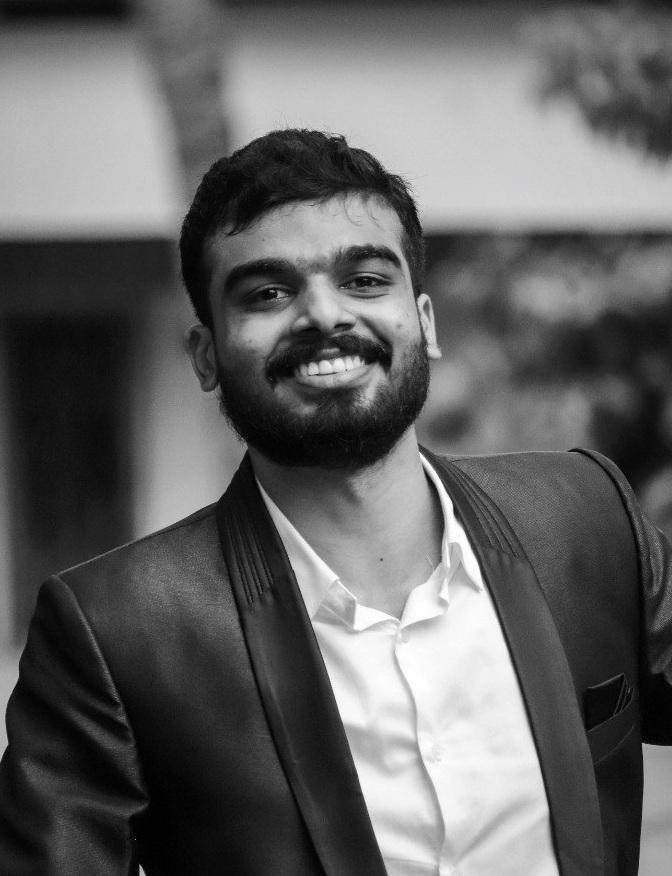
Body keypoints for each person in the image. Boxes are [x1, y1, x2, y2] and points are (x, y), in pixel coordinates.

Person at [0, 129, 671, 876]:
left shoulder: (584, 517)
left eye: (365, 280)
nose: (324, 315)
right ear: (206, 356)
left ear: (425, 321)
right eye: (268, 293)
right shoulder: (114, 630)